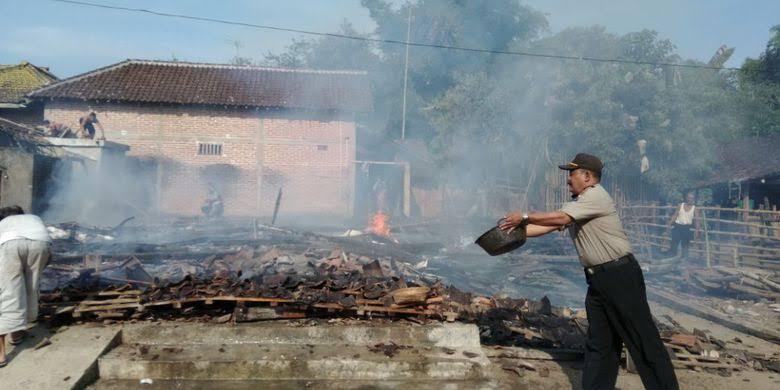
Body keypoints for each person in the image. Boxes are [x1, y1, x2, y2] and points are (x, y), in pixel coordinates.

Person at [499, 153, 678, 390]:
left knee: (642, 338)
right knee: (600, 343)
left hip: (620, 275)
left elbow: (560, 217)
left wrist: (523, 216)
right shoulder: (579, 204)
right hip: (598, 279)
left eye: (571, 174)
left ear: (587, 176)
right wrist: (511, 234)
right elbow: (551, 225)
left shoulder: (596, 197)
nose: (568, 180)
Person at [0, 206, 51, 367]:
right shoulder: (33, 218)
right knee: (31, 288)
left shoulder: (4, 224)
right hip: (40, 243)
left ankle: (0, 355)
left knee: (9, 293)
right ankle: (17, 333)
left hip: (10, 245)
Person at [664, 192, 700, 259]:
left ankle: (684, 260)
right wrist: (670, 223)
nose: (690, 199)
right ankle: (671, 258)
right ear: (686, 198)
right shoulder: (680, 205)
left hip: (686, 228)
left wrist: (697, 229)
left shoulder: (695, 208)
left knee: (685, 245)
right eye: (689, 198)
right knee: (674, 243)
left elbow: (697, 220)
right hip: (677, 227)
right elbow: (675, 215)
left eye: (692, 198)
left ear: (694, 199)